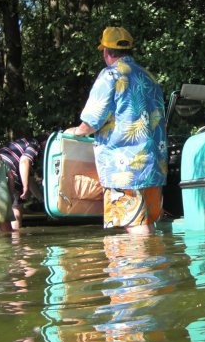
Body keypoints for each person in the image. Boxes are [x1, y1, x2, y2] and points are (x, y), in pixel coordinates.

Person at [64, 26, 168, 235]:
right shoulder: (149, 77)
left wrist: (76, 131)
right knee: (147, 221)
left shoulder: (110, 75)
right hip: (154, 162)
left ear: (106, 51)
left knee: (134, 224)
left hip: (125, 166)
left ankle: (139, 259)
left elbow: (92, 121)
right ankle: (154, 257)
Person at [0, 135, 45, 229]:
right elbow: (24, 161)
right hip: (9, 170)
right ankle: (16, 235)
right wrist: (25, 187)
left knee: (2, 207)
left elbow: (29, 179)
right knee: (16, 205)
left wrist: (42, 201)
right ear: (44, 142)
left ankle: (4, 233)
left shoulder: (22, 143)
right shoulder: (35, 144)